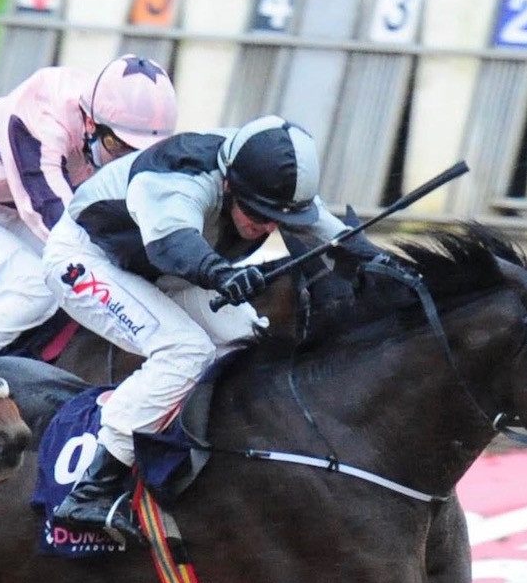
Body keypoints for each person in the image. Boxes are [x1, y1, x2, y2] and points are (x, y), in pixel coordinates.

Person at [46, 115, 387, 543]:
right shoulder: (179, 177)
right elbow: (173, 243)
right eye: (258, 213)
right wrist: (221, 274)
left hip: (161, 274)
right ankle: (92, 489)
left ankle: (201, 462)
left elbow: (329, 233)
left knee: (247, 339)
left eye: (276, 218)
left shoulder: (261, 176)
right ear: (228, 184)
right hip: (88, 260)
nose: (267, 227)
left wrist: (383, 263)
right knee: (185, 350)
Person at [0, 55, 178, 358]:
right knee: (34, 288)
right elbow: (54, 219)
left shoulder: (109, 118)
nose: (125, 161)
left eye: (139, 152)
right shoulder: (40, 118)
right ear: (91, 123)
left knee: (69, 281)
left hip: (12, 211)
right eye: (117, 146)